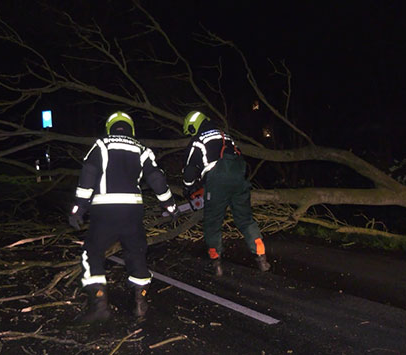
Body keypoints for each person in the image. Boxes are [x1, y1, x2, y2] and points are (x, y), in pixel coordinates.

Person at [68, 111, 177, 322]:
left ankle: (99, 305)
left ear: (110, 127)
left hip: (105, 211)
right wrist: (170, 205)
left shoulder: (101, 145)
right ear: (131, 128)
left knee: (92, 253)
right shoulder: (141, 149)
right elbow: (156, 178)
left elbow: (88, 174)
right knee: (136, 253)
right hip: (132, 211)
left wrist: (78, 209)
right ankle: (140, 302)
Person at [181, 111, 271, 276]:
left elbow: (189, 171)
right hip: (239, 177)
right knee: (245, 219)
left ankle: (216, 262)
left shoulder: (198, 141)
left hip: (217, 181)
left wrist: (188, 188)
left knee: (213, 222)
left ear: (193, 127)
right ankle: (261, 255)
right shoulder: (225, 136)